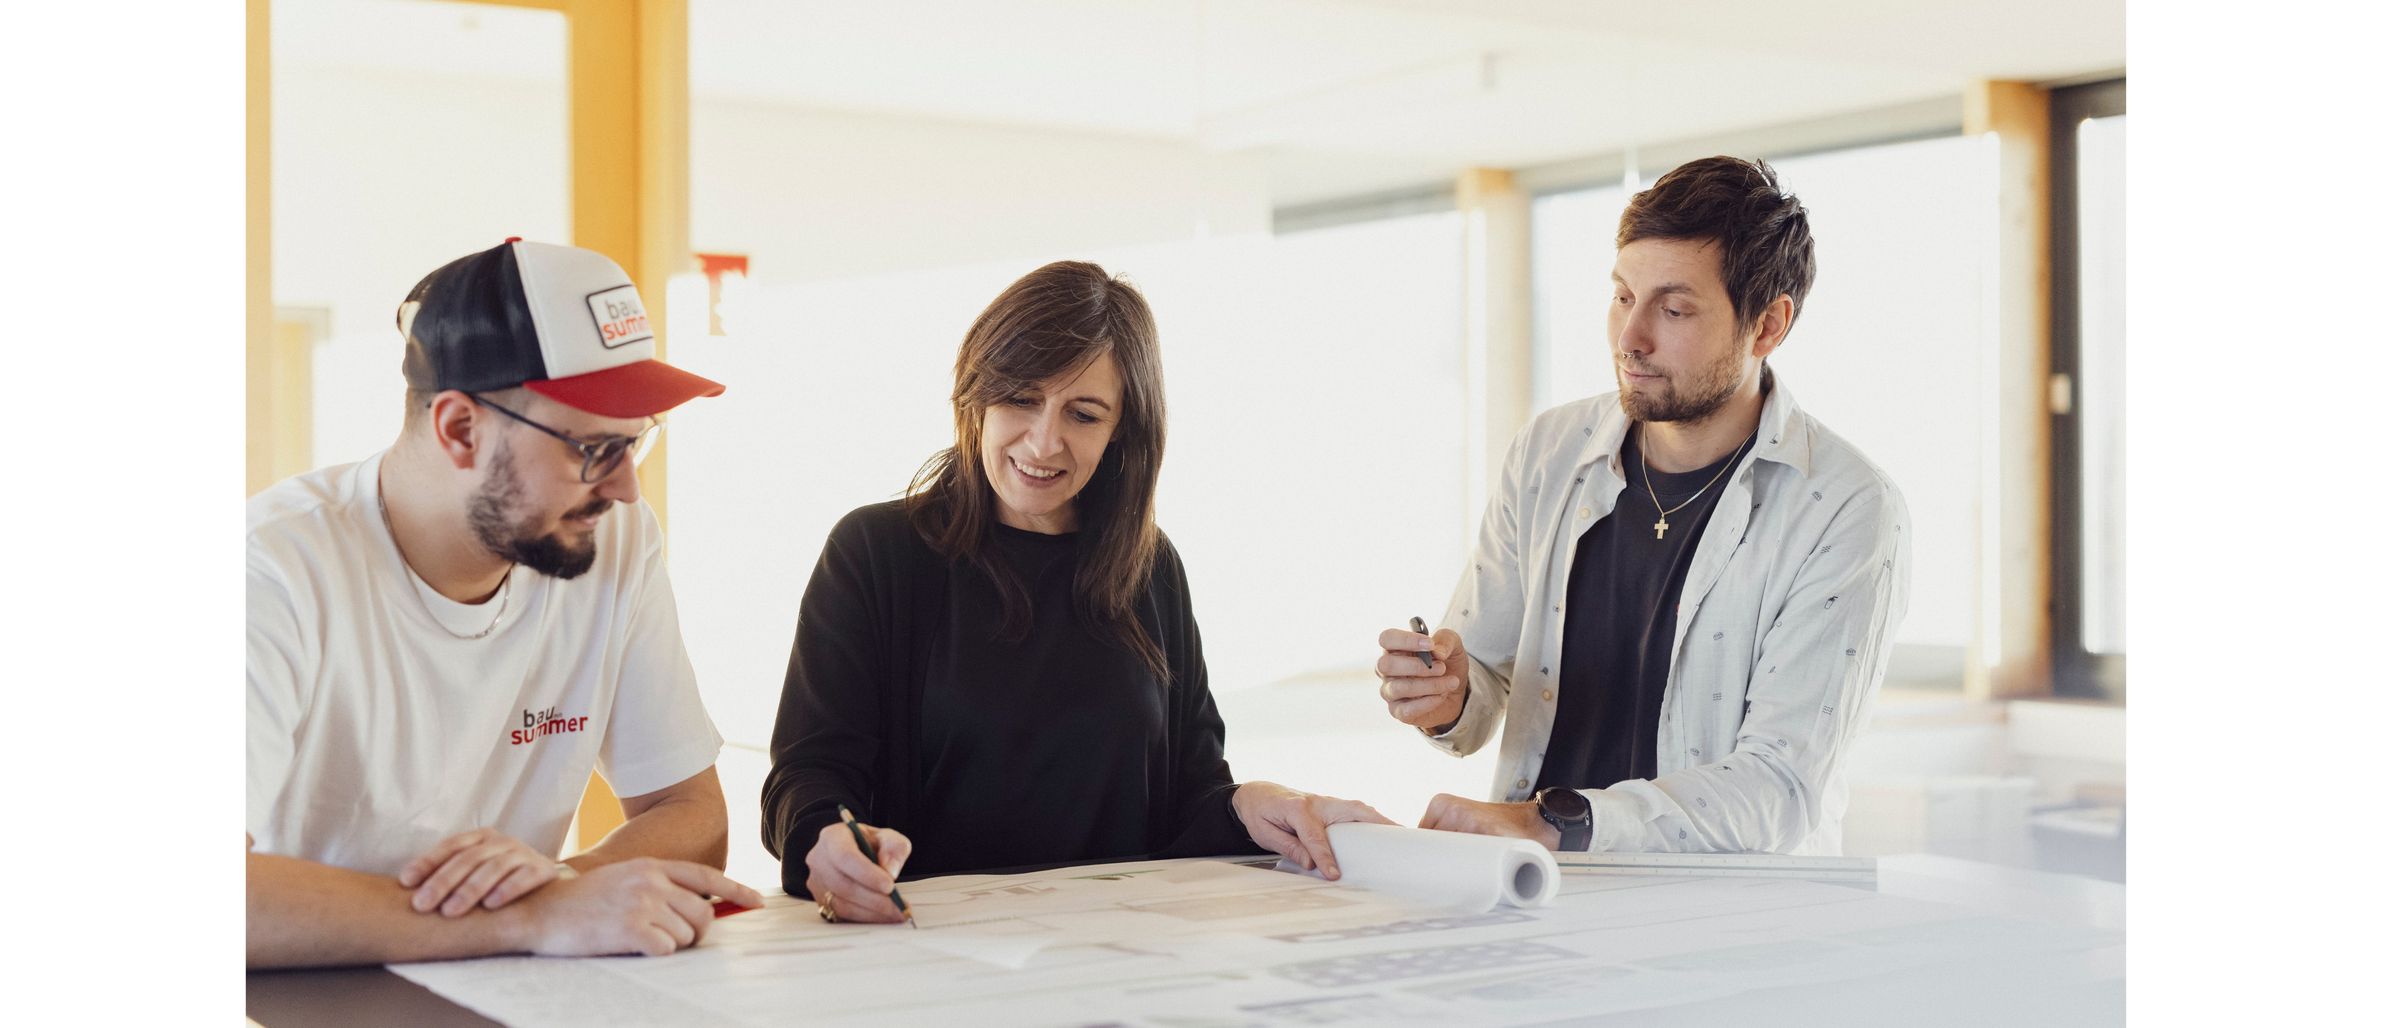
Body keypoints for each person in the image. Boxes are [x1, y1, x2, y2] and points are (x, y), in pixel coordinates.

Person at [764, 261, 1391, 923]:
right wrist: (825, 840)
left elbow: (1187, 800)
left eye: (1083, 414)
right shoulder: (877, 553)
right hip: (927, 947)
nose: (1043, 441)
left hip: (1114, 954)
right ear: (976, 396)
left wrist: (1253, 804)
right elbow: (807, 779)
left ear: (1122, 429)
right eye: (1020, 400)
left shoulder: (1150, 568)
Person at [247, 239, 763, 968]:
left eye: (633, 445)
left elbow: (691, 814)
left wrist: (559, 889)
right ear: (460, 428)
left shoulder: (614, 540)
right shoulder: (271, 569)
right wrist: (530, 917)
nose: (623, 489)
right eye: (592, 450)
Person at [1374, 157, 1911, 856]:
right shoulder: (1549, 452)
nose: (1632, 337)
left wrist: (1552, 821)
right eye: (1624, 297)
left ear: (1768, 326)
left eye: (1675, 307)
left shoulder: (1846, 507)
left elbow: (1780, 788)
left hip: (1722, 925)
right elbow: (1485, 686)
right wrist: (1446, 697)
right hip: (1540, 891)